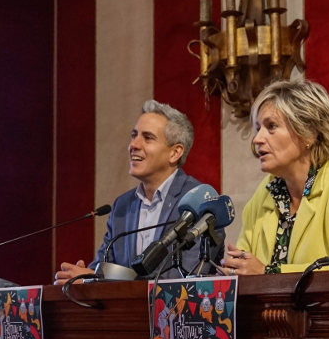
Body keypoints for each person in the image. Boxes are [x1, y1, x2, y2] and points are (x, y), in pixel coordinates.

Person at [218, 79, 329, 275]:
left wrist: (269, 273)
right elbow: (248, 267)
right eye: (259, 128)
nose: (257, 139)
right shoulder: (265, 192)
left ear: (309, 133)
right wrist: (235, 270)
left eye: (271, 127)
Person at [55, 100, 223, 282]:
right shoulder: (122, 206)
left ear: (175, 153)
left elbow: (183, 278)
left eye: (148, 137)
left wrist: (95, 280)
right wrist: (83, 278)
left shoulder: (200, 201)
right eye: (134, 135)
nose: (133, 145)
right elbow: (104, 266)